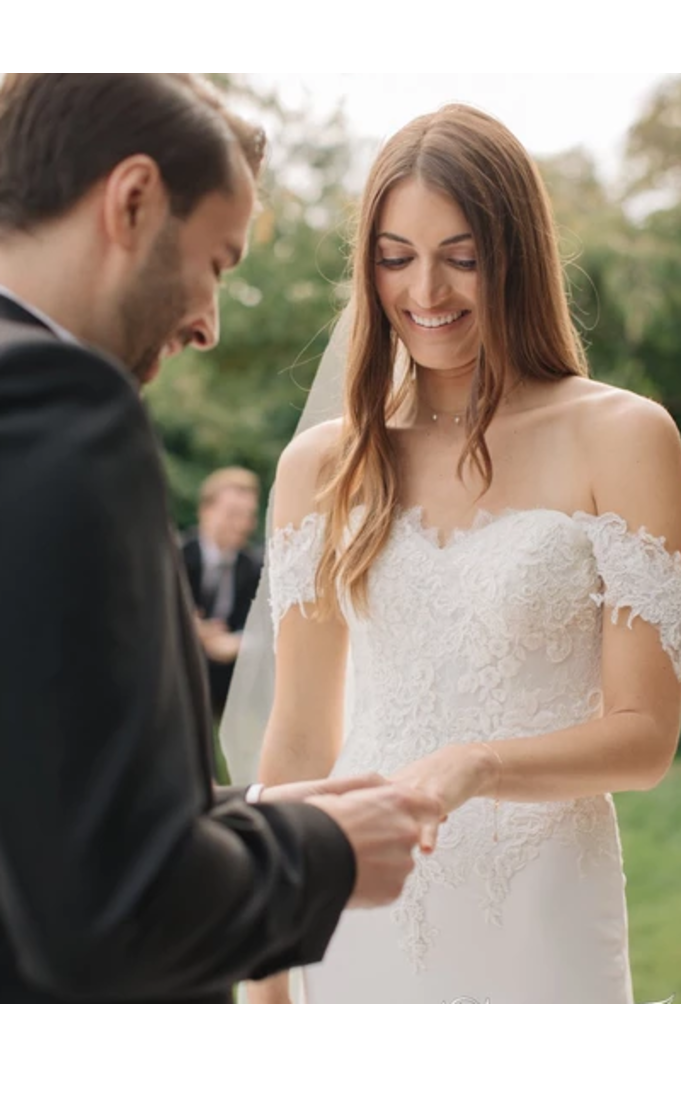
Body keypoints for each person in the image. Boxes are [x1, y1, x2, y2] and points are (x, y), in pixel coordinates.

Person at [227, 104, 681, 1003]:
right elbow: (297, 738)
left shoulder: (627, 437)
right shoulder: (323, 464)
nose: (426, 292)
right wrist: (269, 962)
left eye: (463, 257)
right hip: (357, 910)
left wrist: (479, 764)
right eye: (396, 257)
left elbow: (645, 738)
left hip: (542, 907)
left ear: (516, 253)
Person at [0, 72, 441, 1004]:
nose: (207, 322)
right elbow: (108, 919)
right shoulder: (60, 407)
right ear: (133, 200)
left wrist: (243, 816)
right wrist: (321, 853)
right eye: (217, 263)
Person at [182, 467, 264, 720]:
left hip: (230, 673)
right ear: (205, 511)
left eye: (248, 516)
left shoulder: (253, 566)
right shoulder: (176, 557)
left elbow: (264, 626)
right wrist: (191, 629)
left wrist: (238, 644)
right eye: (232, 514)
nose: (241, 525)